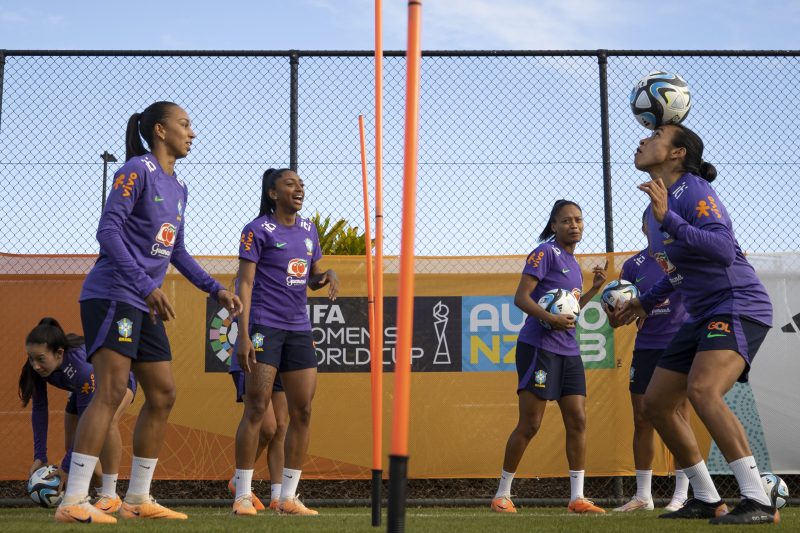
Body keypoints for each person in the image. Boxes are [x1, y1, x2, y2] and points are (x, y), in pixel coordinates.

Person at [55, 101, 242, 524]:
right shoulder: (135, 170)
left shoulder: (179, 187)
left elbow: (174, 249)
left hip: (143, 302)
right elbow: (107, 230)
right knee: (112, 391)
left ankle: (138, 497)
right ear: (160, 130)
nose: (192, 133)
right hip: (115, 295)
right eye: (185, 125)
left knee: (162, 393)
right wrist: (145, 285)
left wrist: (216, 289)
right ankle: (73, 500)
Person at [617, 124, 777, 525]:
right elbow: (675, 276)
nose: (641, 140)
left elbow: (723, 250)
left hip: (738, 303)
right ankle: (707, 498)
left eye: (654, 136)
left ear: (676, 154)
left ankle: (758, 500)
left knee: (703, 390)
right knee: (655, 405)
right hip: (703, 313)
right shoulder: (656, 213)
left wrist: (668, 218)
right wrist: (641, 302)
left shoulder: (693, 191)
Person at [232, 168, 339, 516]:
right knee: (257, 409)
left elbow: (311, 279)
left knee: (303, 411)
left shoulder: (309, 230)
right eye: (290, 184)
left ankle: (288, 497)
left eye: (301, 184)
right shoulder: (256, 230)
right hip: (264, 326)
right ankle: (243, 495)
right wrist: (243, 334)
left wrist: (328, 276)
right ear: (273, 192)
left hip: (298, 329)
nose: (299, 189)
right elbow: (244, 284)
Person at [491, 199, 608, 515]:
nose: (574, 225)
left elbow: (569, 310)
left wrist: (595, 289)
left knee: (578, 419)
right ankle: (502, 494)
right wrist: (551, 319)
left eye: (579, 220)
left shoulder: (574, 263)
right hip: (539, 347)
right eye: (567, 220)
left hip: (569, 350)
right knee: (530, 423)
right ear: (554, 225)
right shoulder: (544, 253)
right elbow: (521, 298)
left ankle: (577, 498)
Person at [604, 211, 691, 512]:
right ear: (643, 226)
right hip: (646, 347)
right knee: (642, 418)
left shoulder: (681, 257)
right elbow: (620, 317)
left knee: (679, 416)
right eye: (651, 223)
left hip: (678, 344)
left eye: (661, 223)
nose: (655, 228)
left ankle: (682, 494)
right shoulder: (633, 265)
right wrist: (615, 316)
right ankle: (643, 496)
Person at [20, 318, 135, 514]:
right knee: (73, 446)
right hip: (83, 390)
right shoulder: (37, 369)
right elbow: (39, 409)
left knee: (105, 424)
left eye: (40, 359)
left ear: (59, 353)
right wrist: (40, 456)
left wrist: (65, 467)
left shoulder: (81, 368)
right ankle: (101, 497)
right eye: (31, 358)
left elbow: (87, 423)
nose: (35, 365)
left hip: (117, 382)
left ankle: (110, 495)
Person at [227, 329, 289, 512]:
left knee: (281, 427)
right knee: (268, 426)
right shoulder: (256, 305)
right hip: (255, 352)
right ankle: (239, 481)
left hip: (281, 354)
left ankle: (278, 497)